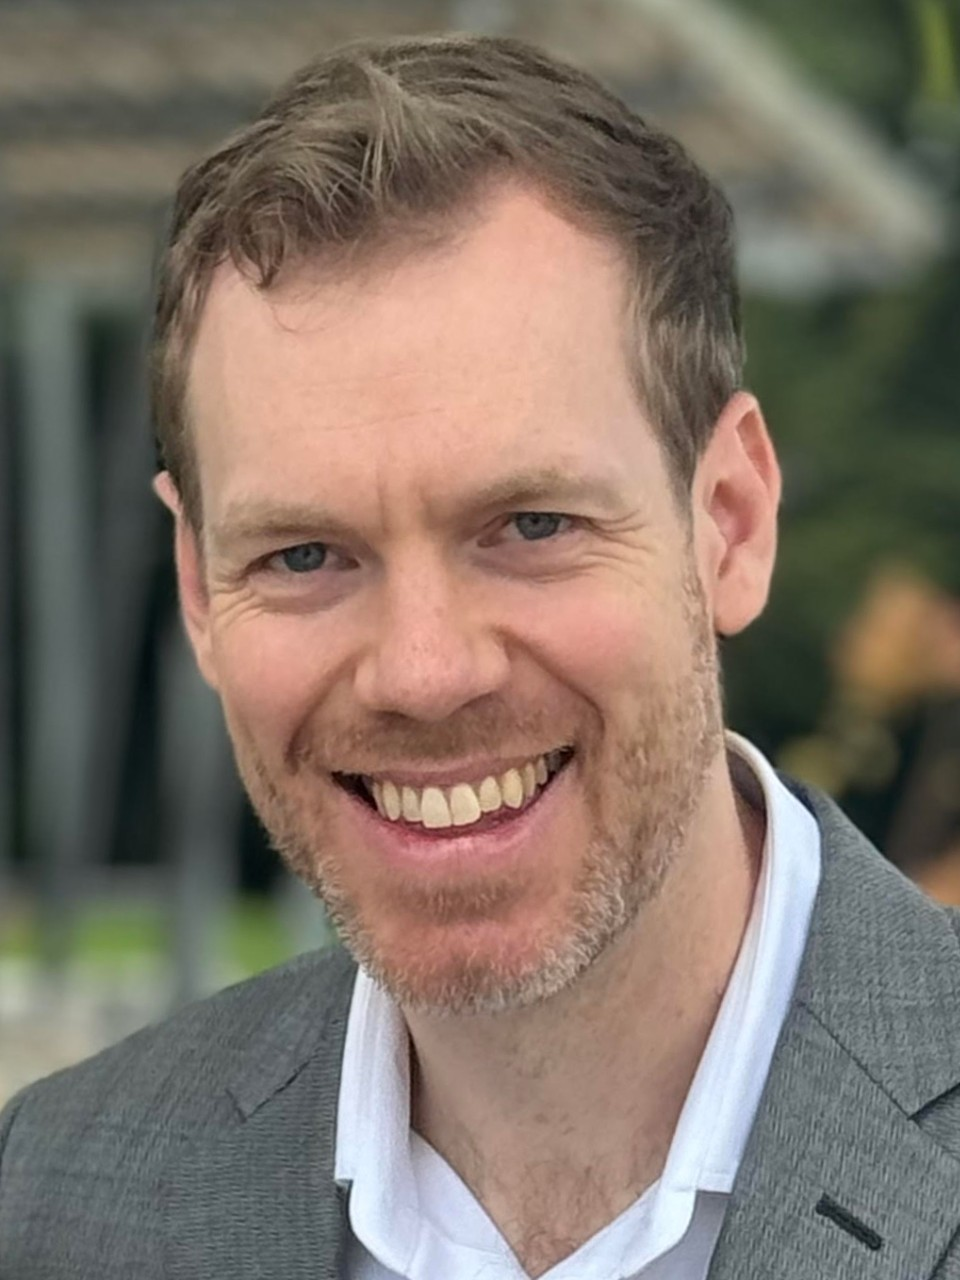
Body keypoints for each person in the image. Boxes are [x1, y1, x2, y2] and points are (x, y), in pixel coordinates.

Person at [2, 33, 958, 1280]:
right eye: (304, 554)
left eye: (531, 525)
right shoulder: (51, 1200)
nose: (423, 670)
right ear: (198, 587)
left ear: (729, 521)